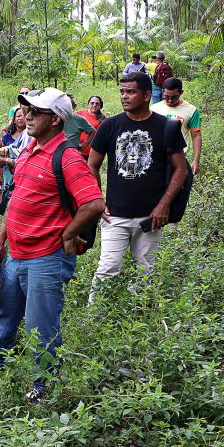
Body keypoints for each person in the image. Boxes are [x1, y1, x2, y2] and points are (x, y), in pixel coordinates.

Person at [0, 87, 104, 404]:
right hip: (16, 254)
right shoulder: (28, 150)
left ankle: (43, 386)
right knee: (5, 314)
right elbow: (15, 201)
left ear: (55, 120)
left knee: (41, 326)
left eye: (35, 112)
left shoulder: (66, 157)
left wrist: (68, 234)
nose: (27, 116)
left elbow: (93, 204)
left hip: (45, 258)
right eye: (26, 111)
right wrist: (0, 242)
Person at [87, 72, 187, 303]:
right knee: (107, 268)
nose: (124, 96)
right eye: (122, 92)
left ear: (147, 95)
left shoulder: (166, 127)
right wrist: (97, 200)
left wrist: (163, 206)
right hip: (115, 215)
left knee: (145, 271)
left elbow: (180, 170)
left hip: (151, 216)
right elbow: (91, 165)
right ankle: (94, 320)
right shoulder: (109, 127)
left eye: (130, 92)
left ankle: (139, 317)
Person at [150, 77, 203, 174]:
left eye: (174, 97)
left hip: (178, 157)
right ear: (162, 92)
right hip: (156, 156)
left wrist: (196, 161)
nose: (170, 100)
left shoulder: (191, 110)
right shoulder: (154, 109)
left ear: (181, 93)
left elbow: (196, 135)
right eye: (166, 97)